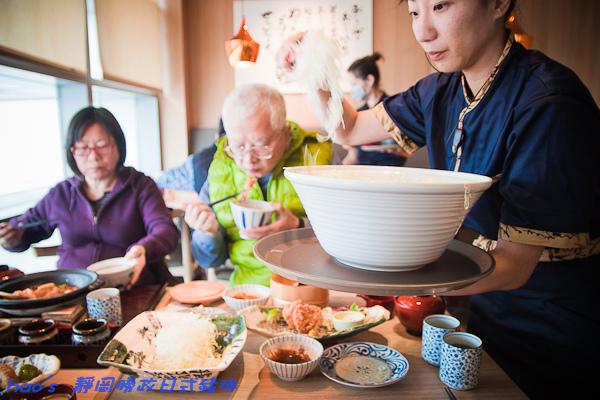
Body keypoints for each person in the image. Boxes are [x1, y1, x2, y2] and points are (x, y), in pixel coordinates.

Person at [276, 1, 600, 398]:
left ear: (499, 4)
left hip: (550, 314)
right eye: (414, 11)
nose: (423, 31)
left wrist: (380, 271)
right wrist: (316, 68)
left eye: (441, 6)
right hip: (483, 298)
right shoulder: (442, 89)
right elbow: (348, 128)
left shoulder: (549, 102)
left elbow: (516, 266)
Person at [0, 107, 179, 289]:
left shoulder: (140, 185)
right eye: (83, 148)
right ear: (72, 152)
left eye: (102, 146)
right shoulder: (62, 193)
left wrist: (144, 248)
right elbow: (24, 229)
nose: (94, 157)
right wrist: (11, 237)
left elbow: (166, 231)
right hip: (73, 291)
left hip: (131, 288)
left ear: (118, 146)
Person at [184, 84, 336, 287]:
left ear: (285, 133)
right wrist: (208, 233)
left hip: (313, 285)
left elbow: (353, 235)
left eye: (261, 146)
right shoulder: (221, 168)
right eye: (238, 146)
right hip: (248, 290)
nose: (248, 160)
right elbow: (209, 260)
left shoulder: (318, 159)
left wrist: (298, 226)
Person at [343, 53, 407, 167]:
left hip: (390, 172)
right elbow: (353, 156)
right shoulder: (358, 114)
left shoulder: (394, 107)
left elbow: (407, 149)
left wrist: (403, 151)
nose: (352, 89)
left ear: (369, 80)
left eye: (354, 84)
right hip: (362, 174)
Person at [155, 118, 226, 193]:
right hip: (197, 173)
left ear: (217, 136)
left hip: (196, 168)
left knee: (163, 180)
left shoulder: (202, 160)